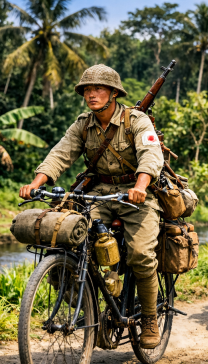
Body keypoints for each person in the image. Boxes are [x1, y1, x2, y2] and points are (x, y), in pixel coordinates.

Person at [18, 65, 164, 348]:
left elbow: (150, 154)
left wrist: (140, 186)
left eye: (98, 89)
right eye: (87, 89)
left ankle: (149, 318)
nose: (91, 94)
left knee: (140, 255)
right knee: (67, 240)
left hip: (136, 195)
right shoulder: (83, 124)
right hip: (97, 192)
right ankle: (90, 307)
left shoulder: (137, 121)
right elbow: (61, 153)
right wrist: (36, 183)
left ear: (113, 93)